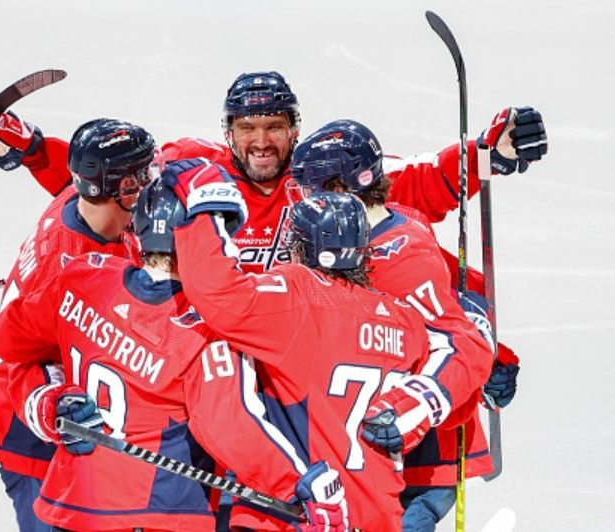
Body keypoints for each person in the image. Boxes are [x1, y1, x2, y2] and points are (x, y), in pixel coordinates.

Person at [0, 177, 349, 531]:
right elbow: (234, 431)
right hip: (160, 512)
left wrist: (45, 400)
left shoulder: (83, 276)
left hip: (73, 508)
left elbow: (7, 344)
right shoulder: (206, 330)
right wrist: (303, 486)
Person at [162, 158, 494, 531]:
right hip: (377, 513)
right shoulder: (403, 320)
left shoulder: (295, 296)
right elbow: (465, 350)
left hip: (300, 513)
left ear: (301, 248)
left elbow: (217, 292)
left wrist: (203, 206)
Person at [289, 119, 522, 531]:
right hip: (375, 454)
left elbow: (456, 333)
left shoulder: (399, 257)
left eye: (312, 190)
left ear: (342, 190)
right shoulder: (374, 230)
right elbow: (463, 298)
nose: (304, 204)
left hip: (414, 459)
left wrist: (486, 362)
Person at [0, 106, 153, 531]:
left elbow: (65, 175)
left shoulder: (89, 203)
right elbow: (3, 356)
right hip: (34, 435)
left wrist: (30, 146)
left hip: (87, 426)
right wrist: (51, 405)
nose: (151, 187)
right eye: (139, 179)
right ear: (111, 188)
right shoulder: (62, 273)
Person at [160, 71, 548, 273]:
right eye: (247, 128)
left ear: (294, 130)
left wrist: (486, 154)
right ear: (229, 133)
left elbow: (418, 180)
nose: (261, 142)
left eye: (274, 127)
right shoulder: (200, 174)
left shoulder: (325, 170)